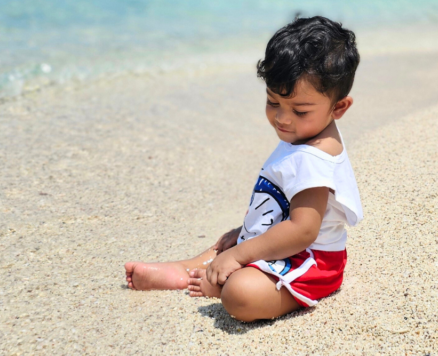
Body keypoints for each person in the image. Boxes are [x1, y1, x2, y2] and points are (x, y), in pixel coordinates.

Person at [123, 16, 363, 322]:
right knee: (227, 244)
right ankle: (190, 269)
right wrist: (243, 236)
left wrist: (240, 255)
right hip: (286, 243)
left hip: (311, 261)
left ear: (338, 108)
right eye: (272, 102)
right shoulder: (305, 132)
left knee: (240, 295)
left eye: (299, 110)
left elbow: (303, 230)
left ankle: (221, 281)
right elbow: (285, 204)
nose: (282, 119)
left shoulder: (315, 158)